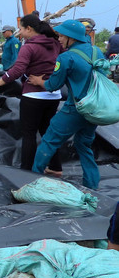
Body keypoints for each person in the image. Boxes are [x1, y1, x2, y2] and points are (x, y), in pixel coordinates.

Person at [28, 20, 106, 189]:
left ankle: (33, 182)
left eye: (62, 36)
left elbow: (53, 85)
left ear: (71, 37)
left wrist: (39, 81)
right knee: (84, 145)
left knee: (49, 140)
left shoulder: (66, 57)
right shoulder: (96, 51)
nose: (59, 39)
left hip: (75, 108)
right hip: (94, 109)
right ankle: (92, 186)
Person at [0, 13, 63, 175]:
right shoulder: (55, 43)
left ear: (29, 29)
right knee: (47, 132)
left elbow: (17, 70)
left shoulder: (29, 46)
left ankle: (26, 172)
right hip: (53, 95)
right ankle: (56, 167)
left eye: (21, 29)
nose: (20, 33)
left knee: (29, 135)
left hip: (33, 96)